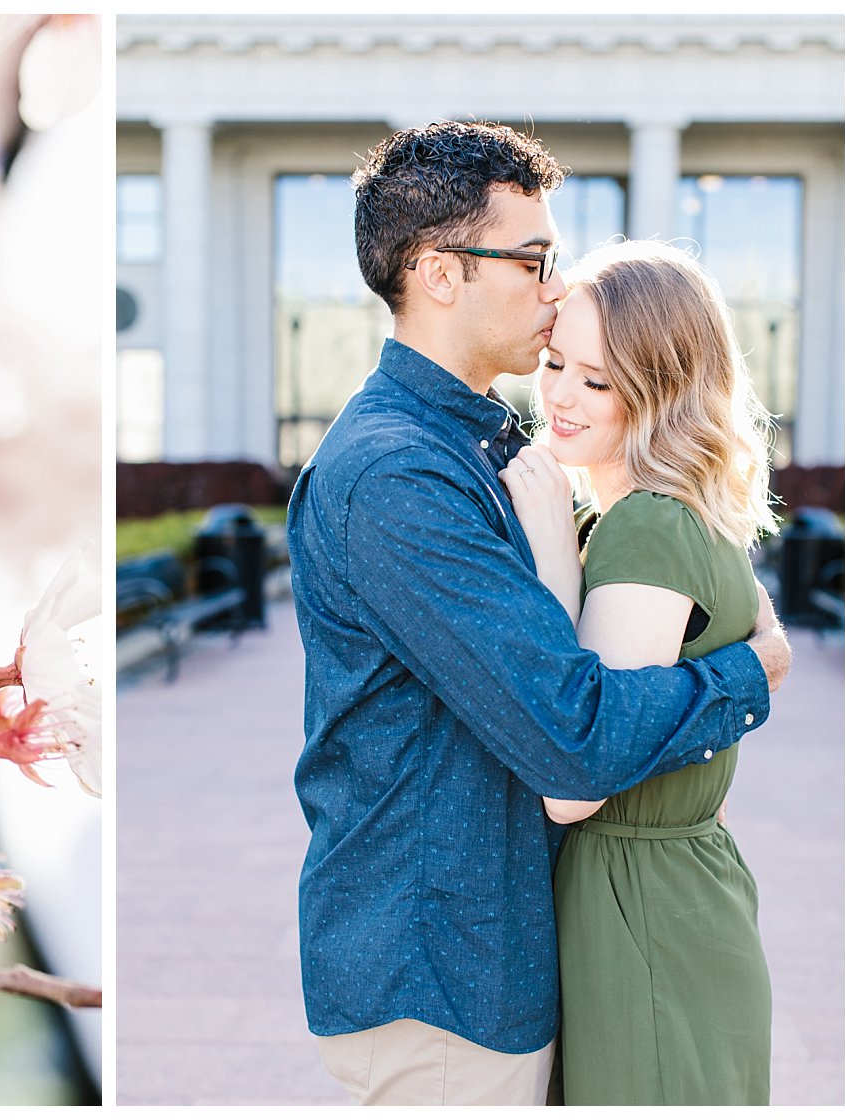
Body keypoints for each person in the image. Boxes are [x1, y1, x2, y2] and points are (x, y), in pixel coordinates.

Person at [287, 120, 791, 1107]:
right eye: (530, 259)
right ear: (440, 274)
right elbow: (572, 743)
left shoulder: (475, 447)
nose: (553, 286)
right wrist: (742, 675)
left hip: (485, 957)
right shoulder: (400, 475)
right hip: (444, 980)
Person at [499, 240, 776, 1104]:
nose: (558, 397)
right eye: (553, 363)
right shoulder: (688, 516)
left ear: (662, 389)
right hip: (682, 893)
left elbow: (572, 781)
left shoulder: (645, 529)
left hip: (638, 915)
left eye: (598, 380)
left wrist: (552, 553)